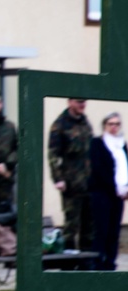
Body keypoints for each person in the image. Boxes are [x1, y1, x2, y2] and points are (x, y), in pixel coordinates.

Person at [48, 98, 94, 250]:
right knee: (71, 226)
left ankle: (86, 265)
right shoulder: (60, 125)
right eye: (79, 102)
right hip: (71, 184)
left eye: (84, 102)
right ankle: (68, 265)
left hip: (88, 182)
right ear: (70, 102)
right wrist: (58, 179)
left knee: (89, 226)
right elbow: (53, 155)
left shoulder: (85, 123)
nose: (82, 105)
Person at [89, 112, 128, 270]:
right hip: (102, 193)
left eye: (117, 124)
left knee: (114, 230)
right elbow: (98, 168)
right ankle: (98, 262)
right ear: (105, 126)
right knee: (101, 229)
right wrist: (114, 187)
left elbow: (124, 167)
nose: (114, 127)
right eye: (111, 124)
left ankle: (110, 261)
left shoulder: (121, 144)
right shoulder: (98, 143)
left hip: (119, 194)